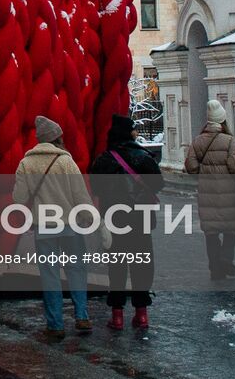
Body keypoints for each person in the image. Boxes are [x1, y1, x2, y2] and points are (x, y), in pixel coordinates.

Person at [13, 115, 92, 340]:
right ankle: (82, 316)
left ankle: (55, 324)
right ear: (57, 138)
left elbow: (19, 198)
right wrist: (88, 216)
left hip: (44, 227)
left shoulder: (26, 163)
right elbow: (80, 194)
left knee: (50, 275)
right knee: (76, 269)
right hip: (70, 224)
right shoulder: (67, 162)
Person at [91, 113, 164, 330]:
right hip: (141, 219)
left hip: (116, 220)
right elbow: (158, 183)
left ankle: (117, 315)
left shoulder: (104, 159)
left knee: (117, 267)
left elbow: (96, 187)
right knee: (142, 265)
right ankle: (141, 314)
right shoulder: (143, 157)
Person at [184, 100, 235, 280]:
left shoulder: (198, 141)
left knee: (211, 233)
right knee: (231, 230)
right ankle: (226, 258)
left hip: (206, 193)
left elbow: (191, 166)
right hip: (228, 193)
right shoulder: (229, 141)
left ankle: (215, 268)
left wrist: (205, 172)